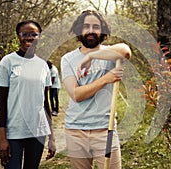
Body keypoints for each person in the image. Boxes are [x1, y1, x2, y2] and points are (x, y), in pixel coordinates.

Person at [60, 10, 131, 169]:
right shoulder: (67, 59)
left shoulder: (110, 54)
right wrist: (106, 79)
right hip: (75, 131)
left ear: (102, 30)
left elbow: (126, 51)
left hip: (106, 130)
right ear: (79, 30)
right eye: (86, 26)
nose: (91, 30)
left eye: (95, 26)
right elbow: (76, 95)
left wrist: (92, 56)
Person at [0, 20, 56, 169]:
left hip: (37, 132)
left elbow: (45, 103)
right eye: (24, 34)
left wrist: (51, 137)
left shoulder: (43, 65)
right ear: (18, 36)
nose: (29, 38)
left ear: (39, 37)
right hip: (14, 132)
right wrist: (2, 138)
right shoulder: (7, 62)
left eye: (33, 34)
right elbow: (1, 102)